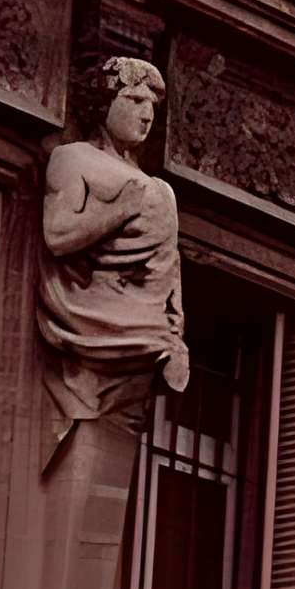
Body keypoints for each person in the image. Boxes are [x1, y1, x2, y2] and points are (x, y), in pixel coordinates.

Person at [38, 55, 190, 457]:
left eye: (152, 107)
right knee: (83, 453)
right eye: (135, 100)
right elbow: (58, 234)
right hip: (94, 324)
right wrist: (119, 209)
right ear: (104, 103)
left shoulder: (160, 188)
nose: (146, 115)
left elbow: (169, 270)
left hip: (147, 334)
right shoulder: (74, 158)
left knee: (112, 451)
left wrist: (175, 331)